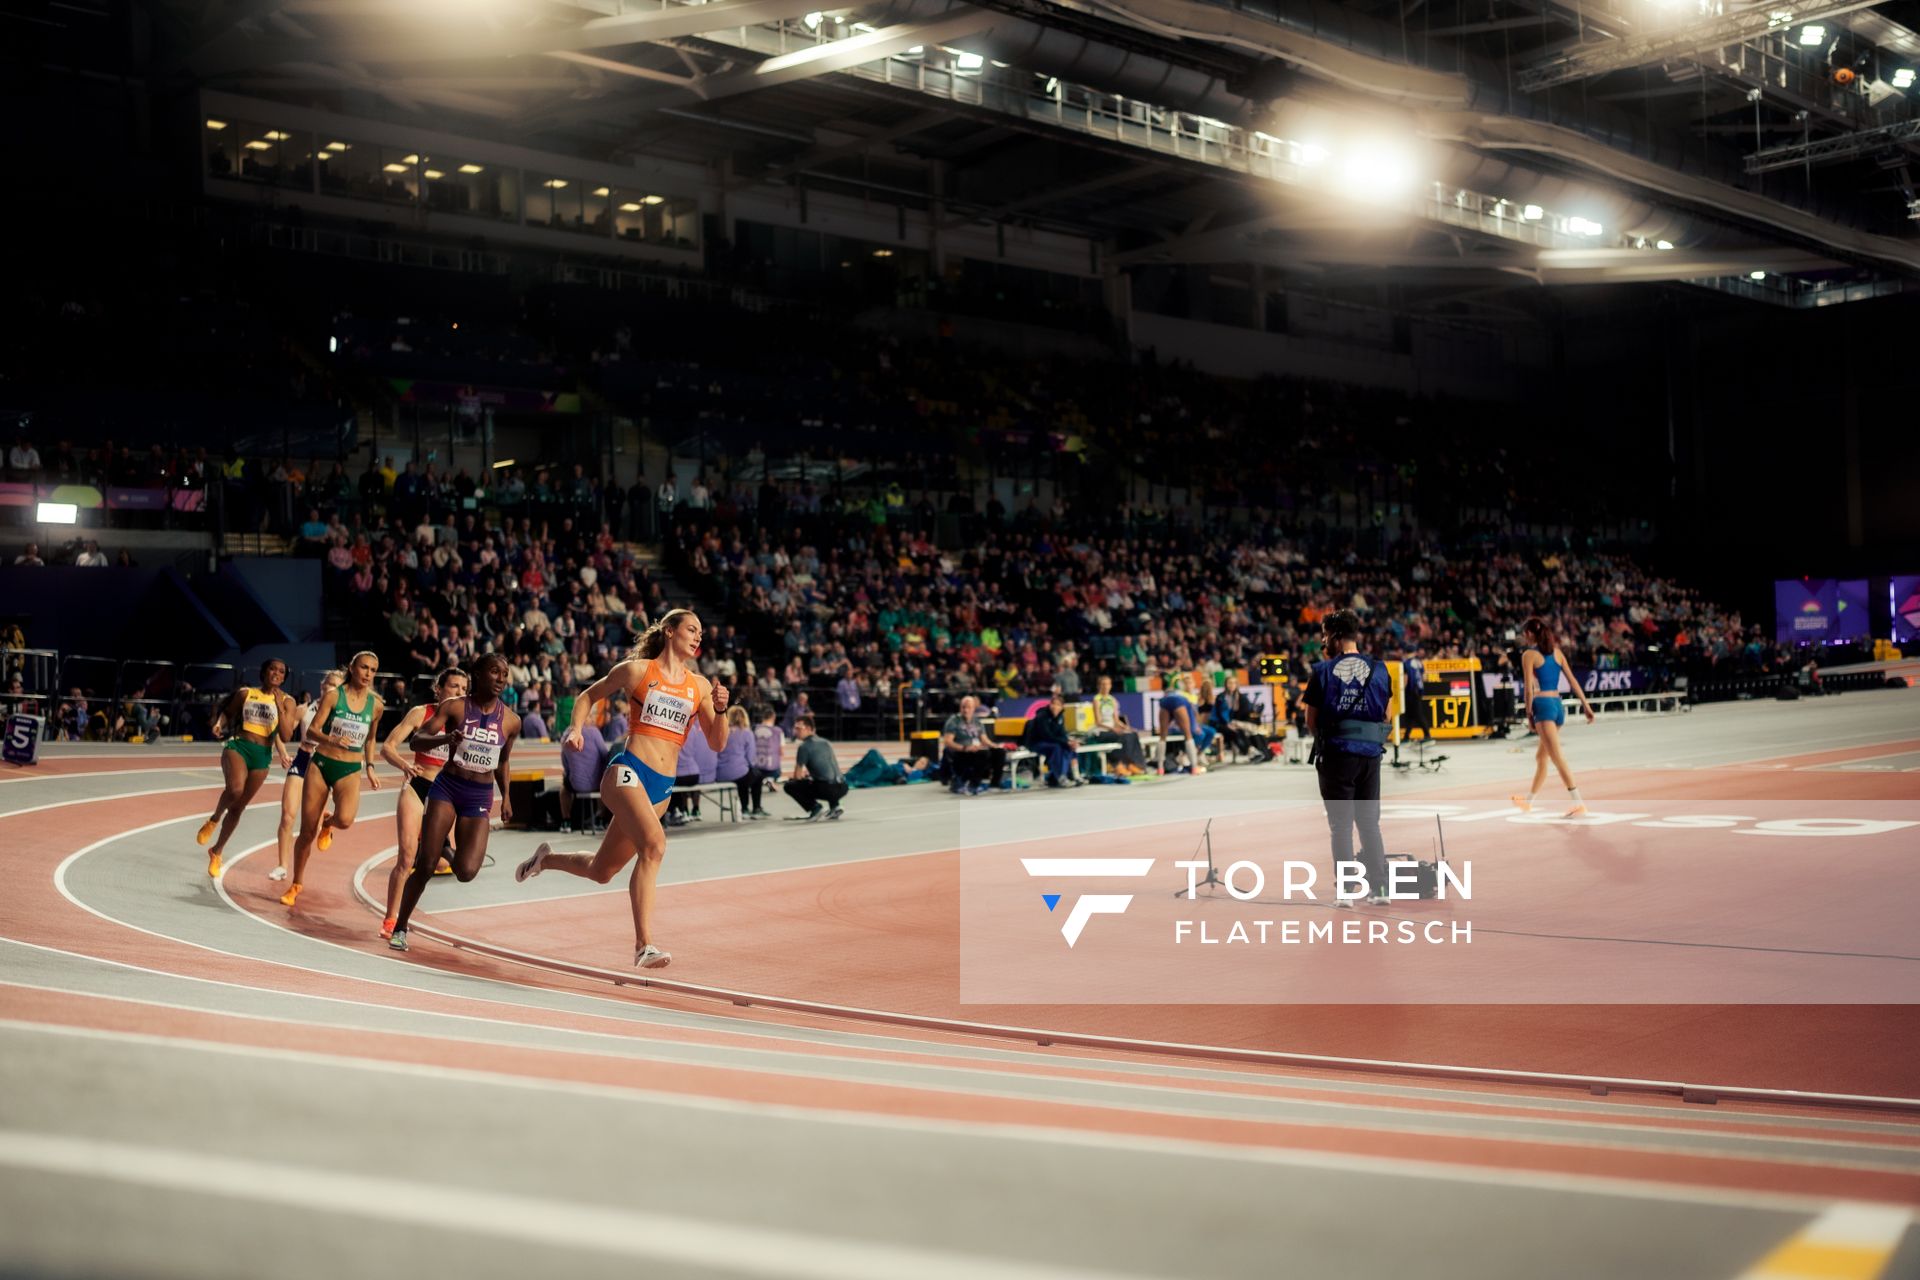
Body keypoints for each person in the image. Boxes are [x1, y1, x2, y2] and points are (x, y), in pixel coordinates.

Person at [513, 609, 728, 970]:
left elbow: (717, 742)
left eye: (701, 633)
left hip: (661, 788)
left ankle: (544, 859)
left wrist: (721, 711)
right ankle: (644, 945)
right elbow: (587, 696)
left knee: (601, 870)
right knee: (656, 845)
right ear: (671, 631)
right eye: (692, 629)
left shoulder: (700, 686)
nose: (698, 636)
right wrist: (576, 729)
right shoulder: (638, 671)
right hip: (627, 772)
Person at [387, 654, 520, 952]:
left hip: (480, 796)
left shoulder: (511, 721)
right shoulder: (455, 707)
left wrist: (506, 796)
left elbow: (504, 761)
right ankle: (400, 927)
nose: (500, 678)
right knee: (425, 865)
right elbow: (417, 741)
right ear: (477, 674)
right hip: (447, 788)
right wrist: (445, 740)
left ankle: (445, 847)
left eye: (505, 674)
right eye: (494, 672)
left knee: (466, 871)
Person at [1301, 609, 1392, 907]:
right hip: (1370, 756)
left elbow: (1310, 721)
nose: (1323, 641)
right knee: (1369, 824)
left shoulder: (1323, 671)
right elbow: (1387, 715)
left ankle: (1346, 892)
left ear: (1337, 637)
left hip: (1338, 755)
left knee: (1340, 825)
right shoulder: (1380, 669)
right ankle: (1379, 890)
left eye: (1325, 635)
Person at [282, 651, 385, 907]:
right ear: (352, 668)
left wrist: (370, 766)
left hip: (350, 769)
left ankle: (329, 822)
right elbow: (314, 730)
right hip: (322, 764)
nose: (368, 674)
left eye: (373, 670)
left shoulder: (376, 705)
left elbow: (371, 738)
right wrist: (332, 739)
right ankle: (296, 883)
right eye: (364, 668)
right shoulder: (333, 696)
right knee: (306, 832)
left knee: (346, 820)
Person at [376, 666, 469, 938]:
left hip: (446, 794)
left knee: (441, 863)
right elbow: (387, 747)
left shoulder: (466, 720)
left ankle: (428, 845)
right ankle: (390, 920)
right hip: (418, 786)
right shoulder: (421, 713)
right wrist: (405, 765)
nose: (459, 693)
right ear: (438, 689)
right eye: (454, 687)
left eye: (464, 689)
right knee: (406, 858)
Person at [196, 659, 297, 878]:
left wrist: (279, 707)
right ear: (264, 672)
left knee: (238, 808)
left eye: (281, 671)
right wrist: (218, 724)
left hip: (262, 756)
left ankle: (217, 851)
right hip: (239, 746)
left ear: (284, 677)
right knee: (235, 789)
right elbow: (228, 712)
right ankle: (214, 819)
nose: (276, 674)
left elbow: (287, 736)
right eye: (272, 669)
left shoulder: (288, 702)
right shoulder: (246, 693)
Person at [1511, 616, 1595, 817]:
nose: (1524, 638)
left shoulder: (1529, 655)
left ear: (1530, 634)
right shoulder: (1557, 653)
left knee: (1557, 757)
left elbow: (1529, 689)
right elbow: (1573, 681)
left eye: (1525, 634)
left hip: (1544, 706)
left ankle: (1578, 802)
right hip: (1558, 706)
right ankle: (1528, 801)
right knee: (1541, 756)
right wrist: (1586, 705)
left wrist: (1529, 712)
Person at [273, 670, 342, 883]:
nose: (331, 689)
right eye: (328, 684)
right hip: (303, 759)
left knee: (311, 828)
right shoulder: (304, 710)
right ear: (322, 686)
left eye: (336, 686)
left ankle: (326, 823)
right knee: (287, 815)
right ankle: (282, 866)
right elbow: (281, 731)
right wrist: (283, 752)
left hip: (324, 765)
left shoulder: (342, 714)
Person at [940, 695, 1006, 795]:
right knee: (983, 754)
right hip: (961, 751)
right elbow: (948, 742)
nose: (966, 710)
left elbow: (984, 740)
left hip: (975, 749)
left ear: (974, 708)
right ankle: (974, 784)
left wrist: (995, 746)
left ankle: (995, 784)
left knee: (999, 752)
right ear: (960, 708)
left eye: (968, 707)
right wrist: (965, 748)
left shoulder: (977, 721)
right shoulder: (954, 721)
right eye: (963, 707)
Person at [785, 715, 846, 820]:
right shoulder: (826, 742)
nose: (796, 731)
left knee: (790, 786)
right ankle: (835, 806)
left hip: (827, 789)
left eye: (799, 729)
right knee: (825, 780)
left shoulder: (804, 747)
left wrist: (801, 779)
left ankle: (815, 808)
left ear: (809, 729)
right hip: (843, 787)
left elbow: (797, 776)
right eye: (795, 728)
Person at [714, 705, 769, 818]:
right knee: (757, 776)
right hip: (738, 772)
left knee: (745, 777)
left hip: (720, 773)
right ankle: (755, 809)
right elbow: (750, 758)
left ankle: (745, 809)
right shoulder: (746, 733)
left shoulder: (722, 731)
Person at [558, 710, 608, 833]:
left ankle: (566, 821)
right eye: (591, 716)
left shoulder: (566, 736)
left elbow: (565, 764)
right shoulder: (594, 732)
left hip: (576, 784)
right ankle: (600, 819)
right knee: (604, 779)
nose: (593, 719)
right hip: (597, 784)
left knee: (564, 789)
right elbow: (604, 755)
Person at [1087, 675, 1147, 775]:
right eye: (1103, 684)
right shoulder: (1096, 700)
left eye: (1107, 684)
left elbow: (1116, 719)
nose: (1105, 687)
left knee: (1132, 735)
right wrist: (1113, 729)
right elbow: (1098, 722)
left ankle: (1135, 764)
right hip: (1102, 731)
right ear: (1099, 686)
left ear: (1110, 686)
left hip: (1113, 729)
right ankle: (1119, 765)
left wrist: (1126, 727)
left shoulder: (1112, 700)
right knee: (1123, 737)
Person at [1025, 690, 1084, 788]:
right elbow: (1047, 735)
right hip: (1036, 743)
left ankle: (1074, 775)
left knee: (1069, 748)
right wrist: (1065, 742)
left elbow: (1062, 734)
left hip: (1051, 742)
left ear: (1062, 707)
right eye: (1053, 704)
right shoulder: (1042, 716)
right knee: (1057, 748)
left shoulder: (1061, 717)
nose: (1055, 707)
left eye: (1058, 705)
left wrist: (1070, 742)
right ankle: (1061, 777)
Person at [1156, 676, 1205, 775]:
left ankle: (1160, 768)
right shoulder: (1185, 699)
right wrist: (1194, 727)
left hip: (1164, 701)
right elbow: (1192, 720)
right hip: (1179, 702)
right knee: (1188, 735)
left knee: (1162, 737)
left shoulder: (1172, 694)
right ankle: (1194, 768)